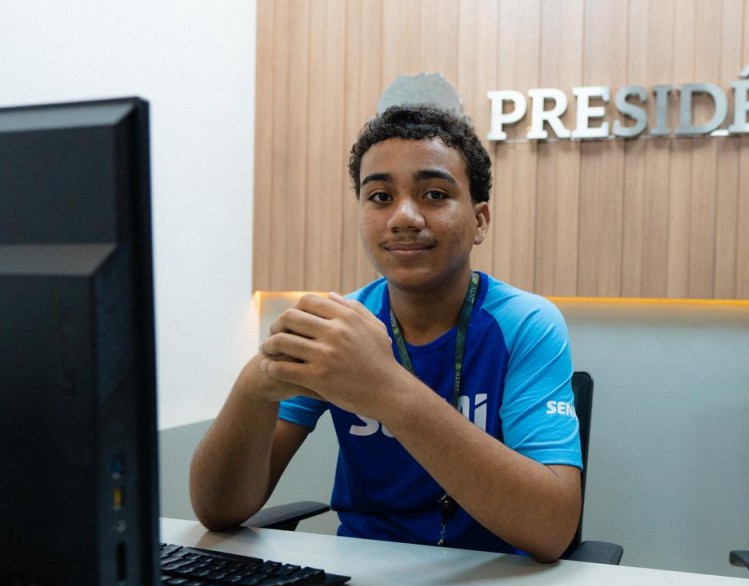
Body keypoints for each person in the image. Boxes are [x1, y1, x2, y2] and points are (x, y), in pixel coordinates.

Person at [189, 105, 582, 562]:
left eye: (434, 194)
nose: (404, 217)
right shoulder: (340, 327)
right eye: (380, 196)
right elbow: (218, 510)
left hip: (494, 579)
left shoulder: (525, 324)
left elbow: (552, 529)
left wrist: (385, 388)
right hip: (362, 576)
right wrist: (256, 382)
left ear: (480, 221)